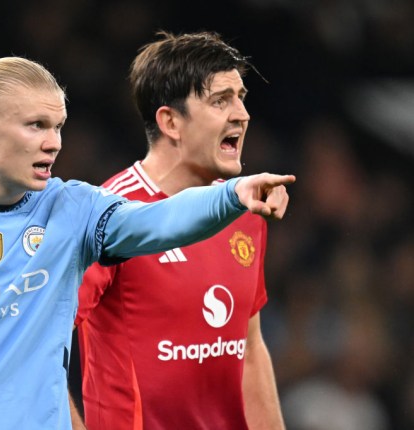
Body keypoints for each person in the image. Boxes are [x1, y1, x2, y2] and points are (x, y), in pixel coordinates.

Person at [0, 55, 294, 429]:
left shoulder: (73, 210)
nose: (54, 142)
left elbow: (160, 221)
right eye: (37, 126)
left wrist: (233, 195)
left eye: (58, 126)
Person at [74, 31, 286, 429]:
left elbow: (250, 349)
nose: (242, 114)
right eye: (221, 100)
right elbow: (40, 344)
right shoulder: (109, 218)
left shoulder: (245, 208)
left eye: (241, 97)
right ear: (170, 121)